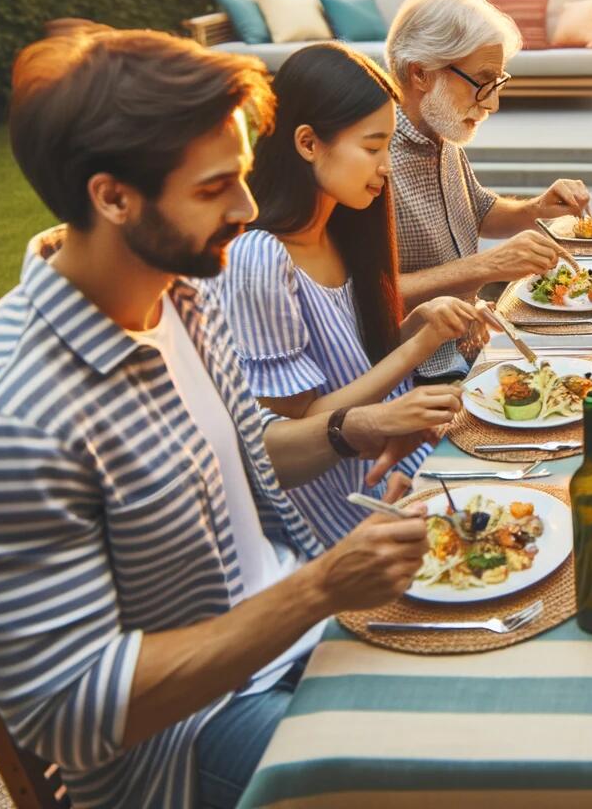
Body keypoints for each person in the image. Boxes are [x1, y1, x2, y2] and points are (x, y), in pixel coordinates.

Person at [0, 30, 441, 809]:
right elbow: (74, 714)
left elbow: (244, 463)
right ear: (112, 196)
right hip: (191, 743)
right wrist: (323, 588)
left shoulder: (182, 295)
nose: (249, 209)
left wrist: (347, 431)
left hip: (303, 636)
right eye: (213, 188)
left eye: (245, 177)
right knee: (457, 764)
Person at [210, 43, 497, 544]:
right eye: (372, 147)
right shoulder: (261, 258)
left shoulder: (343, 229)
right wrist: (418, 347)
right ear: (307, 143)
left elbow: (354, 362)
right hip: (339, 517)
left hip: (397, 473)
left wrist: (417, 323)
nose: (387, 166)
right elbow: (301, 424)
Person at [384, 0, 588, 380]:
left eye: (497, 81)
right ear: (421, 73)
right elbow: (361, 296)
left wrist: (536, 210)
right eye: (482, 80)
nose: (492, 103)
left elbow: (479, 210)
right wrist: (487, 266)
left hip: (474, 343)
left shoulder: (441, 132)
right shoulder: (375, 161)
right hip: (420, 370)